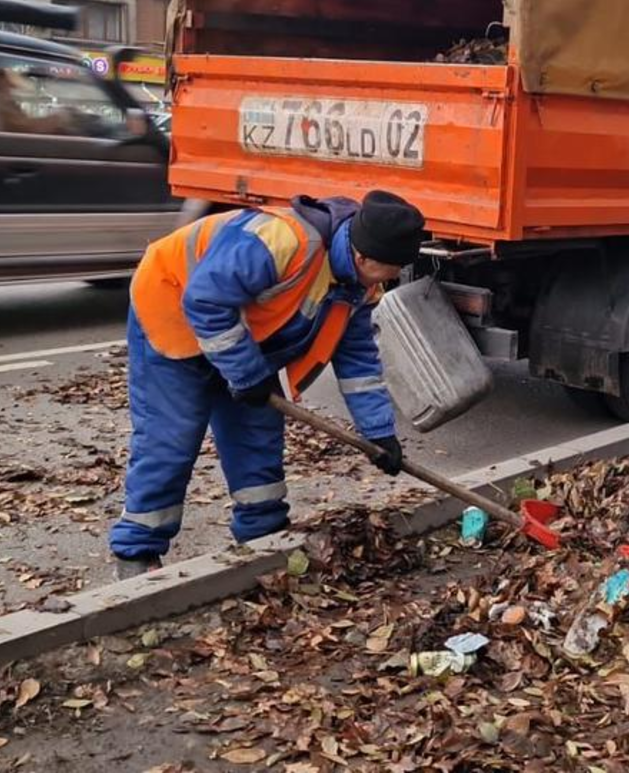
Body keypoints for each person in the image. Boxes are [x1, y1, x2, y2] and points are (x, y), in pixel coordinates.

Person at [109, 190, 427, 577]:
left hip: (243, 339)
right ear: (362, 257)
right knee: (171, 437)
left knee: (256, 431)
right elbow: (206, 300)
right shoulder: (282, 240)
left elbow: (358, 360)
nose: (391, 280)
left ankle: (264, 534)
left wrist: (379, 433)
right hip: (171, 309)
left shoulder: (360, 285)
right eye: (390, 270)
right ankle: (137, 550)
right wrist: (244, 372)